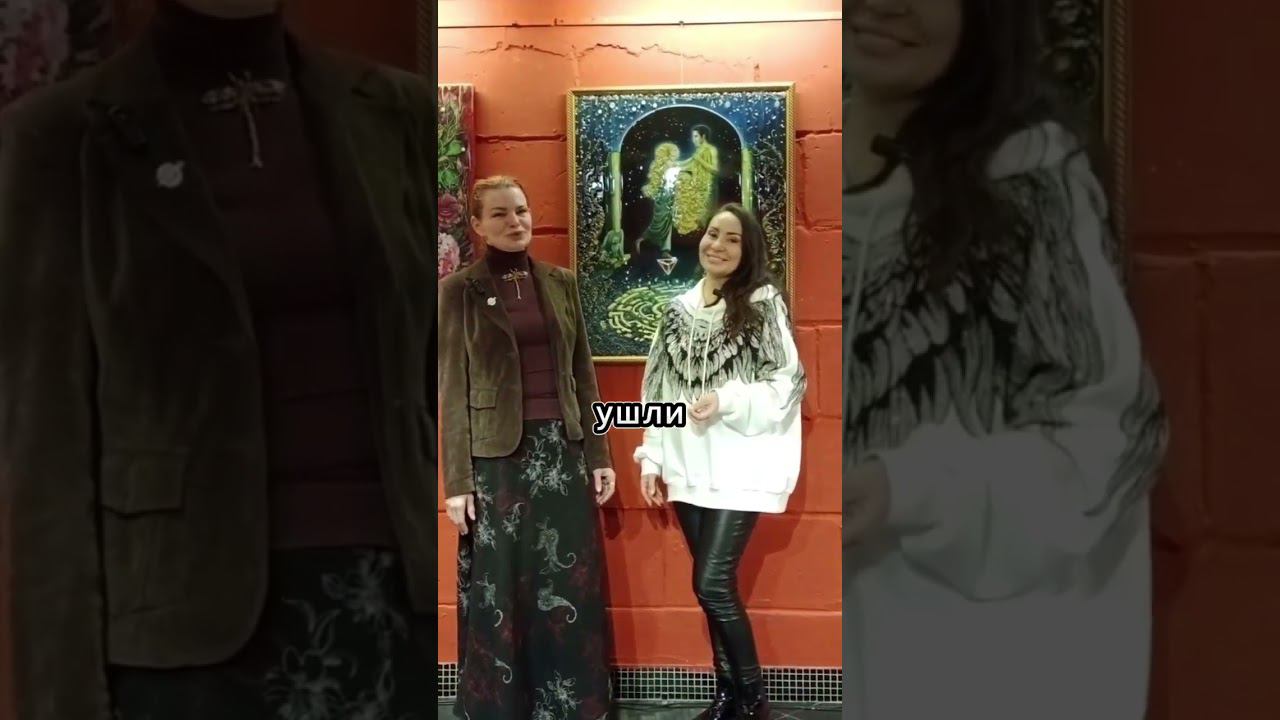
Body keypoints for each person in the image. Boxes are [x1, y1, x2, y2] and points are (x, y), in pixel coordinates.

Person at [0, 0, 436, 718]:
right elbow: (44, 452)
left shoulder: (395, 110)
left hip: (395, 607)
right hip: (184, 630)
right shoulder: (60, 135)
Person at [842, 2, 1169, 719]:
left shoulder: (1029, 178)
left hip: (987, 660)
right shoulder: (804, 177)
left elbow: (1107, 438)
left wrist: (906, 488)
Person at [440, 175, 617, 719]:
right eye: (499, 213)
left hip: (562, 452)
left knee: (566, 581)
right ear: (477, 225)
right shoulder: (458, 290)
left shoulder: (561, 283)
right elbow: (450, 389)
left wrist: (599, 454)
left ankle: (569, 704)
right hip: (497, 462)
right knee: (503, 586)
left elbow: (583, 374)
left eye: (520, 210)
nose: (514, 221)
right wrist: (456, 482)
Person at [634, 203, 806, 720]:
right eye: (713, 234)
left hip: (741, 467)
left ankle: (754, 701)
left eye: (733, 239)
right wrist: (651, 458)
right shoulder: (676, 310)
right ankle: (728, 696)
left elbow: (787, 382)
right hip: (688, 466)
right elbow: (657, 388)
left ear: (748, 250)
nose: (718, 245)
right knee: (714, 590)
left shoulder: (763, 304)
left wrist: (726, 399)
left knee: (710, 583)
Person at [674, 124, 719, 235]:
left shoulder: (711, 149)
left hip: (707, 189)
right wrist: (674, 164)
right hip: (696, 187)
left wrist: (700, 160)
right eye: (693, 136)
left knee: (703, 218)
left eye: (696, 136)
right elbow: (689, 164)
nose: (693, 139)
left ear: (703, 137)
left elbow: (715, 169)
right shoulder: (698, 151)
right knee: (693, 218)